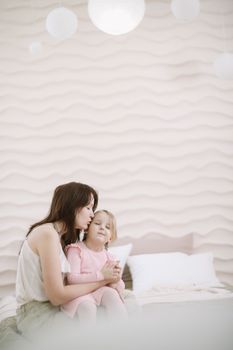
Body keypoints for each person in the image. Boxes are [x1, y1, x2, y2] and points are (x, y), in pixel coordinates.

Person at [13, 182, 121, 340]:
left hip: (55, 306)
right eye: (89, 207)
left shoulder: (60, 237)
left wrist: (110, 280)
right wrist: (102, 279)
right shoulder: (47, 234)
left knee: (121, 300)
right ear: (74, 206)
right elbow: (57, 296)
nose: (92, 215)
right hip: (36, 313)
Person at [62, 210, 128, 324]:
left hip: (100, 292)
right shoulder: (76, 250)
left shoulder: (110, 258)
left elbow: (119, 288)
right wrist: (101, 275)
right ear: (87, 229)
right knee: (87, 307)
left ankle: (123, 333)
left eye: (107, 227)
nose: (102, 228)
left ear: (110, 238)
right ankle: (90, 340)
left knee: (112, 295)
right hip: (80, 293)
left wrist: (116, 281)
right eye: (97, 223)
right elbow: (72, 279)